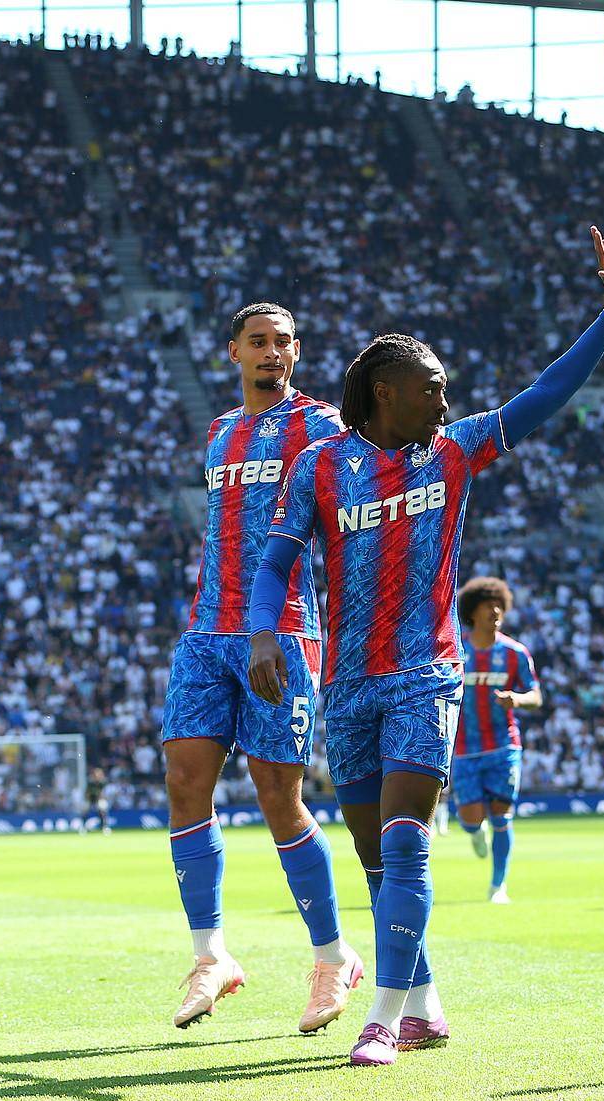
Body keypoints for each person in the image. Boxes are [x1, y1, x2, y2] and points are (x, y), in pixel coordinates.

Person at [247, 226, 604, 1066]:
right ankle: (424, 1005)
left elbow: (543, 393)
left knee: (405, 842)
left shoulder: (453, 451)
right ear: (386, 392)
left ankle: (382, 1018)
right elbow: (275, 561)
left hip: (426, 676)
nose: (445, 404)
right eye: (432, 389)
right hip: (349, 684)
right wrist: (265, 632)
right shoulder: (318, 466)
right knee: (374, 859)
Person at [159, 302, 361, 1033]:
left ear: (296, 352)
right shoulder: (220, 432)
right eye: (258, 341)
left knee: (278, 796)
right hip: (206, 631)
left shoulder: (323, 425)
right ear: (234, 353)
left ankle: (333, 957)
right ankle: (211, 955)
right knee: (185, 784)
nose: (272, 352)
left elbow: (349, 509)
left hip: (281, 633)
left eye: (283, 342)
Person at [451, 577, 541, 903]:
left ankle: (498, 886)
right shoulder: (455, 651)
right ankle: (476, 832)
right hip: (463, 749)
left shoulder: (515, 653)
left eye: (499, 605)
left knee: (502, 815)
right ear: (472, 612)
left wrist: (517, 699)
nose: (496, 611)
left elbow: (536, 695)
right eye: (489, 606)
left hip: (504, 746)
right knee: (471, 819)